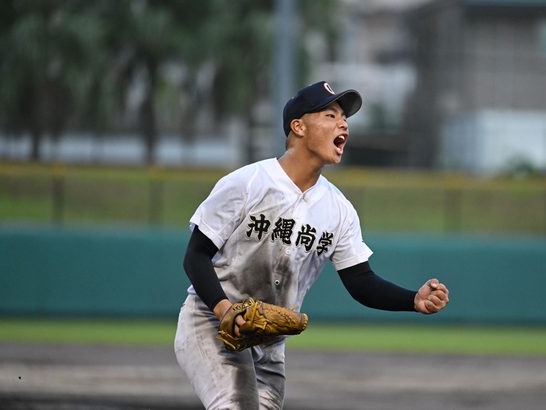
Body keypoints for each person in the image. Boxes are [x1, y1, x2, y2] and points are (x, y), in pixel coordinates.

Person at [174, 80, 450, 410]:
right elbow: (195, 256)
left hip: (270, 349)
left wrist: (413, 300)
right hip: (212, 325)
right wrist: (224, 310)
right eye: (331, 115)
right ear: (299, 126)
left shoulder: (339, 210)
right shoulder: (248, 183)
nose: (343, 123)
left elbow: (360, 281)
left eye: (344, 118)